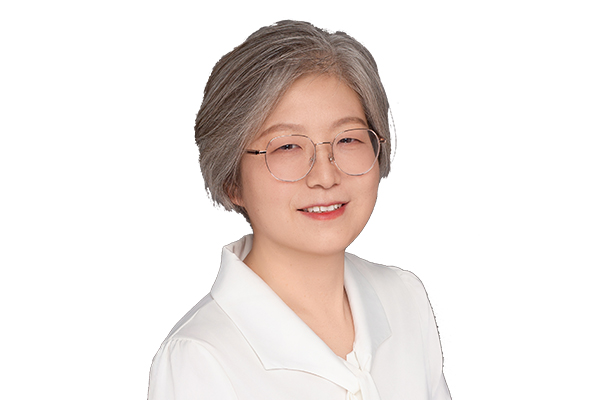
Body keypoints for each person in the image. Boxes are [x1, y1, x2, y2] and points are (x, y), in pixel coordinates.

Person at [148, 20, 451, 400]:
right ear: (231, 181)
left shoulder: (405, 298)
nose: (325, 176)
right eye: (287, 147)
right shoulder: (200, 357)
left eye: (347, 139)